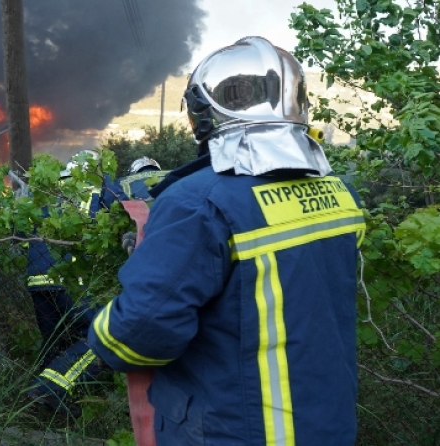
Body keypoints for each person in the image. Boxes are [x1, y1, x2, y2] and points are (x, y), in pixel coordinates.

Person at [87, 36, 365, 445]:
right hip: (328, 426)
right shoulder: (340, 194)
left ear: (203, 114)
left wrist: (105, 326)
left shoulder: (197, 203)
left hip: (233, 430)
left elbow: (137, 334)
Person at [25, 149, 109, 418]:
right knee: (97, 337)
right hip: (73, 277)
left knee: (55, 341)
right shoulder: (100, 187)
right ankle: (49, 390)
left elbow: (22, 233)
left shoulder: (47, 190)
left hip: (38, 278)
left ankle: (37, 405)